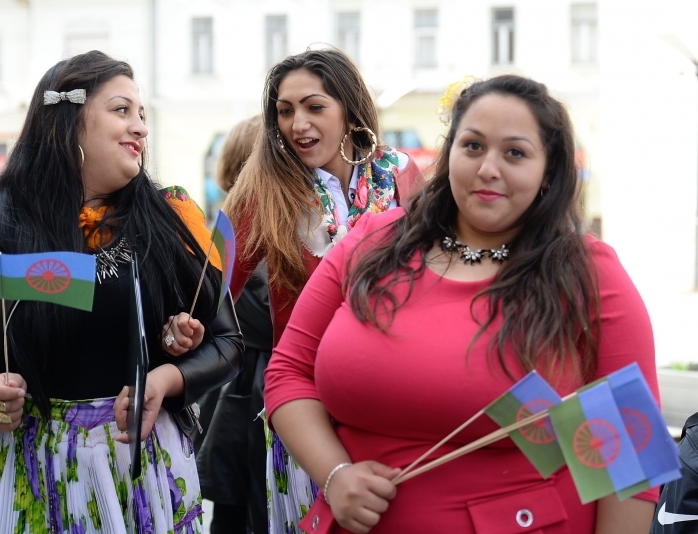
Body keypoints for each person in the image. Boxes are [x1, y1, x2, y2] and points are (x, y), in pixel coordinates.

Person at [264, 74, 660, 534]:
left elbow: (629, 459)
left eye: (515, 152)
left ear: (549, 171)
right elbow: (288, 371)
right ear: (450, 151)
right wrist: (334, 475)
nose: (488, 168)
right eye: (472, 146)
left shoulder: (589, 275)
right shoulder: (371, 242)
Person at [0, 50, 243, 533]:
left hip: (141, 473)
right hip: (23, 479)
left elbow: (228, 344)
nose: (141, 127)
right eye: (122, 110)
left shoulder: (170, 224)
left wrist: (167, 379)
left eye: (142, 114)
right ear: (67, 124)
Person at [223, 48, 427, 532]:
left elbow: (436, 274)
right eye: (286, 110)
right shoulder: (261, 189)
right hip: (307, 408)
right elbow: (206, 286)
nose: (298, 123)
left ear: (350, 111)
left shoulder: (400, 173)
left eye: (315, 107)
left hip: (396, 402)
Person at [197, 116, 271, 534]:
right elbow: (253, 316)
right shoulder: (235, 232)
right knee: (244, 509)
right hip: (247, 391)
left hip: (241, 390)